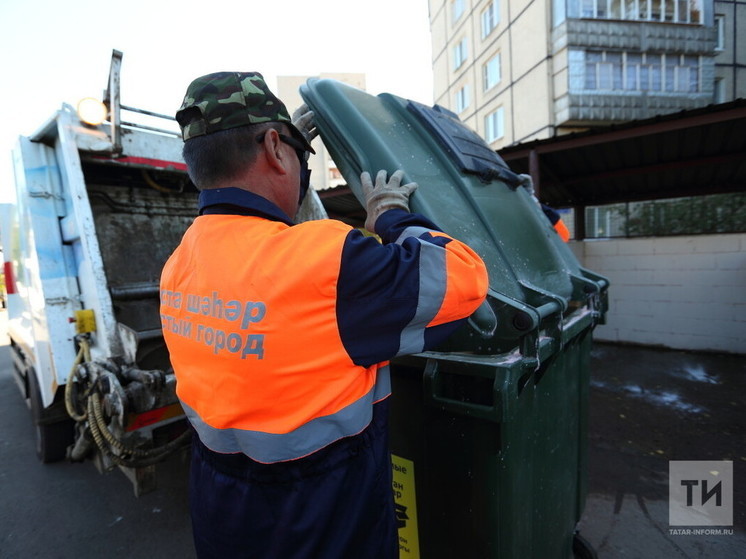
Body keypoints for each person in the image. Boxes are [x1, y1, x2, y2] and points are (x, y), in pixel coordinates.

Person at [160, 71, 488, 559]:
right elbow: (464, 279)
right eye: (295, 154)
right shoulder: (327, 261)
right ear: (274, 148)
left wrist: (293, 164)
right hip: (324, 528)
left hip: (224, 522)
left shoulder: (179, 265)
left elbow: (275, 285)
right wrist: (392, 217)